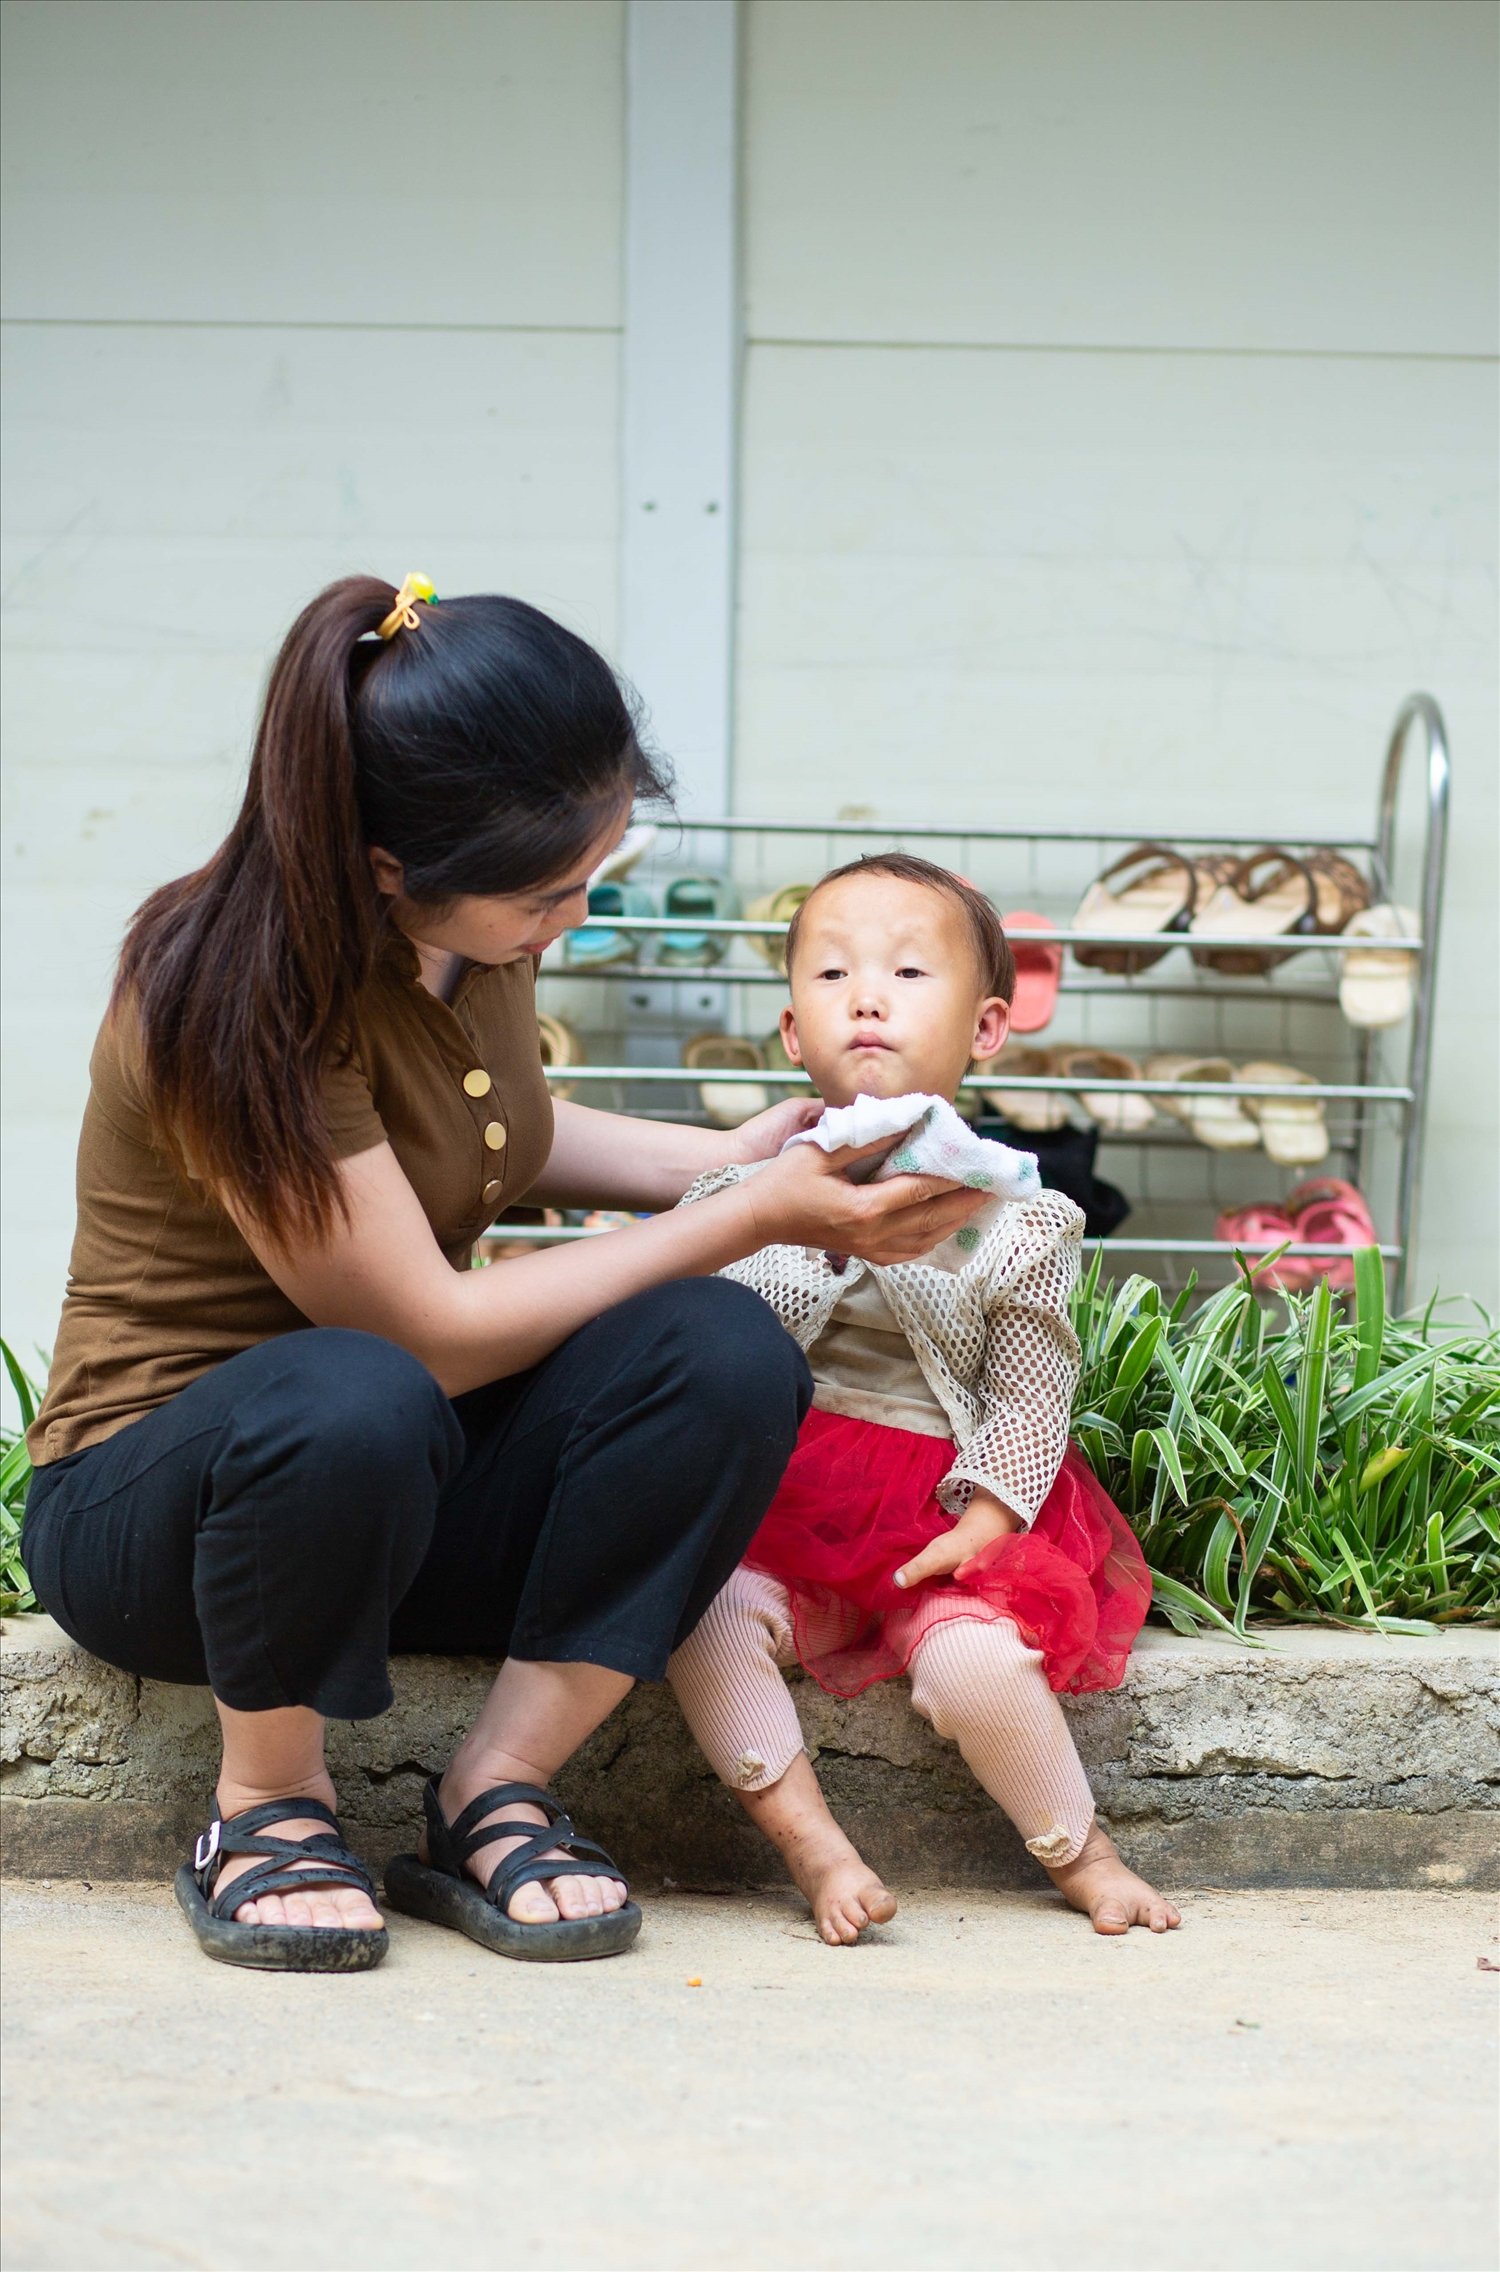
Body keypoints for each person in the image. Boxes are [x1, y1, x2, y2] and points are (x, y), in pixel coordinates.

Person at [21, 577, 991, 1973]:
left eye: (591, 872)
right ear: (384, 865)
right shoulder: (227, 990)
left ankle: (493, 1789)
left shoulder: (471, 934)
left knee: (720, 1353)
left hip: (389, 1510)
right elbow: (432, 1338)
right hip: (172, 1527)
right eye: (549, 895)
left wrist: (742, 1157)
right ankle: (267, 1805)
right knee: (355, 1389)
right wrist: (753, 1215)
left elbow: (503, 1138)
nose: (573, 919)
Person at [667, 854, 1182, 1944]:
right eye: (834, 972)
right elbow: (676, 1332)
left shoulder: (1018, 1216)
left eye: (908, 970)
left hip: (939, 1499)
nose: (867, 994)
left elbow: (1034, 1385)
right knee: (702, 1616)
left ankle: (1081, 1854)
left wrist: (990, 1517)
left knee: (977, 1661)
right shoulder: (737, 1195)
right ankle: (813, 1844)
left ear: (988, 1029)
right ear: (792, 1029)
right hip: (775, 1489)